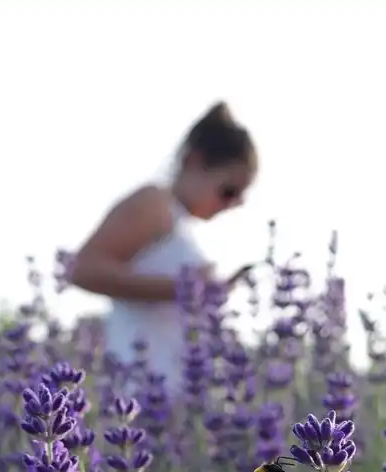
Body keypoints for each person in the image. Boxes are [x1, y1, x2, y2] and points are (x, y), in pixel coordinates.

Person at [67, 101, 257, 389]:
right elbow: (83, 269)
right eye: (228, 191)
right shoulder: (153, 203)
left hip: (174, 393)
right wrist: (182, 289)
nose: (230, 204)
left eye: (239, 198)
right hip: (138, 392)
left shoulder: (181, 223)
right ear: (195, 161)